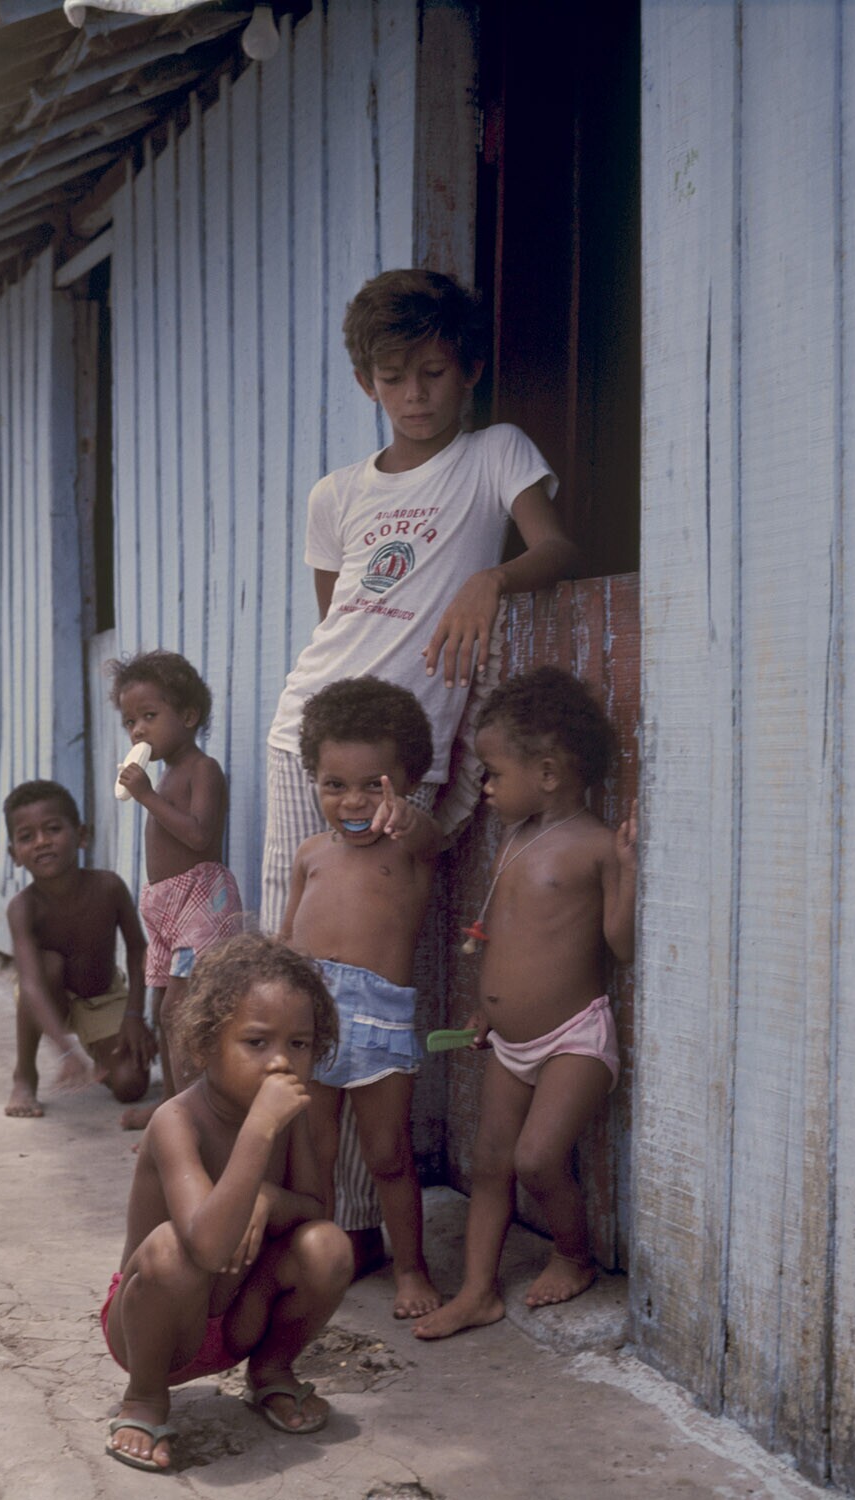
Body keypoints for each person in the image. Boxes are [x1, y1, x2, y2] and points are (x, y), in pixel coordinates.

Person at [262, 267, 580, 1262]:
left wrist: (492, 577)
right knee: (293, 970)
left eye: (434, 373)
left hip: (411, 757)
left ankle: (359, 1223)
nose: (415, 394)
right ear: (366, 382)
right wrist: (330, 755)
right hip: (309, 743)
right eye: (393, 376)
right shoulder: (336, 494)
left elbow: (556, 546)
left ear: (468, 371)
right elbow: (340, 624)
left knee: (372, 971)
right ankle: (289, 1204)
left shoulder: (495, 454)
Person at [413, 667, 636, 1340]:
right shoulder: (514, 837)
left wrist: (628, 872)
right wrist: (489, 1009)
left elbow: (620, 946)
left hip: (573, 1038)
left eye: (494, 773)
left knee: (536, 1159)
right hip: (507, 1041)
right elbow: (509, 937)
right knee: (490, 1162)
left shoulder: (596, 847)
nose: (485, 787)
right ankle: (477, 1291)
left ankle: (574, 1254)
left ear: (547, 774)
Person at [101, 933, 352, 1474]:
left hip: (241, 1314)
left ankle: (271, 1372)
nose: (280, 1062)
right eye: (256, 1042)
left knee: (328, 1247)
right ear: (204, 1046)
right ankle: (144, 1399)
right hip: (156, 1327)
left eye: (299, 1044)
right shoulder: (176, 1122)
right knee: (170, 1249)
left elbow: (316, 1209)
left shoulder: (292, 1117)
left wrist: (270, 1197)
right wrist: (259, 1130)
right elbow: (207, 1247)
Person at [280, 677, 442, 1319]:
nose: (352, 801)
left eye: (373, 786)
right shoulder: (310, 854)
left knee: (388, 1154)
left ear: (406, 783)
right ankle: (319, 1262)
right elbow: (289, 941)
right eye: (334, 784)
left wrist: (408, 817)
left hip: (380, 1020)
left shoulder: (411, 851)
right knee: (313, 1151)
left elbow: (429, 835)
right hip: (311, 1014)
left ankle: (411, 1269)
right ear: (313, 781)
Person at [109, 651, 243, 1130]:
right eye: (130, 722)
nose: (138, 731)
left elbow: (200, 835)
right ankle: (172, 1105)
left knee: (179, 1010)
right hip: (167, 907)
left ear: (188, 716)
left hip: (201, 905)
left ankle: (192, 1120)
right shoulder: (165, 773)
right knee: (162, 1009)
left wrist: (146, 796)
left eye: (149, 716)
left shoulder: (202, 769)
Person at [2, 779, 157, 1118]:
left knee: (131, 1085)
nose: (42, 842)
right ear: (15, 855)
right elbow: (31, 984)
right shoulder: (23, 908)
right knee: (46, 967)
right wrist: (65, 1051)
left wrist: (134, 1015)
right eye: (27, 837)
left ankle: (102, 1056)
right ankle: (24, 1074)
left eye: (53, 829)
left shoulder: (108, 887)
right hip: (48, 995)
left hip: (101, 995)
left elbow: (137, 950)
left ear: (82, 835)